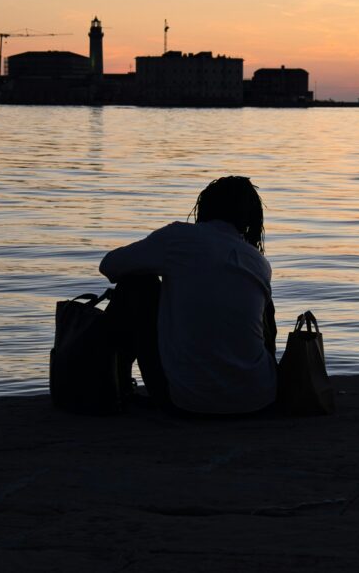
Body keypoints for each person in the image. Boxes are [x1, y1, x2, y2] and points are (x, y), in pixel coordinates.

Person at [99, 176, 277, 415]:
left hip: (187, 401)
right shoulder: (258, 262)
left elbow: (110, 265)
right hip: (258, 399)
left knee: (137, 284)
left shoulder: (178, 239)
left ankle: (114, 388)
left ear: (203, 209)